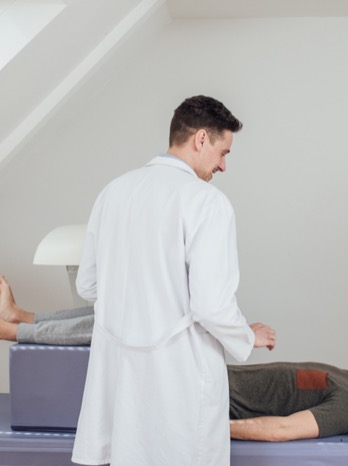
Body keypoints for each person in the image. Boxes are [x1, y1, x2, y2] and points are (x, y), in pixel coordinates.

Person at [0, 277, 348, 442]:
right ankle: (23, 317)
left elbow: (281, 430)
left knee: (136, 318)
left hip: (195, 391)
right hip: (203, 373)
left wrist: (205, 425)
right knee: (132, 307)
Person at [80, 95, 274, 466]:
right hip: (180, 377)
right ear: (201, 138)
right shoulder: (206, 202)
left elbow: (89, 286)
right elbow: (211, 305)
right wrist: (248, 336)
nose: (223, 166)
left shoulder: (114, 192)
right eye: (223, 152)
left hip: (120, 376)